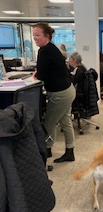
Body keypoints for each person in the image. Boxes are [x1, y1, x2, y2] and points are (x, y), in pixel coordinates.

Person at [32, 22, 76, 163]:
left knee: (48, 124)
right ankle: (70, 151)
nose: (35, 38)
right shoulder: (52, 49)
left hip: (60, 94)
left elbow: (42, 75)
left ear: (47, 36)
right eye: (33, 35)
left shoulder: (44, 51)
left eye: (37, 35)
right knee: (65, 121)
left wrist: (36, 75)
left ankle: (46, 150)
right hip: (68, 90)